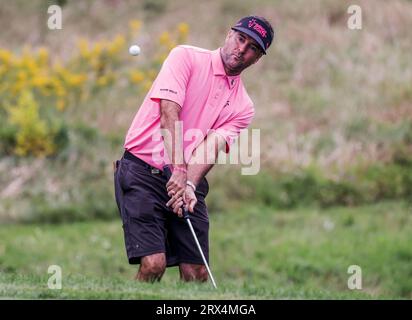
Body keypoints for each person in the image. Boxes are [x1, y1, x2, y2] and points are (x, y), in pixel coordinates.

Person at [114, 16, 274, 282]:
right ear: (229, 35)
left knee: (197, 272)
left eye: (252, 48)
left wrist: (187, 185)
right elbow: (169, 112)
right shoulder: (185, 57)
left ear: (257, 59)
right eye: (240, 39)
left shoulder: (243, 107)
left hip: (186, 176)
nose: (242, 49)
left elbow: (210, 147)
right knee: (154, 264)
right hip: (142, 171)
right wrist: (178, 169)